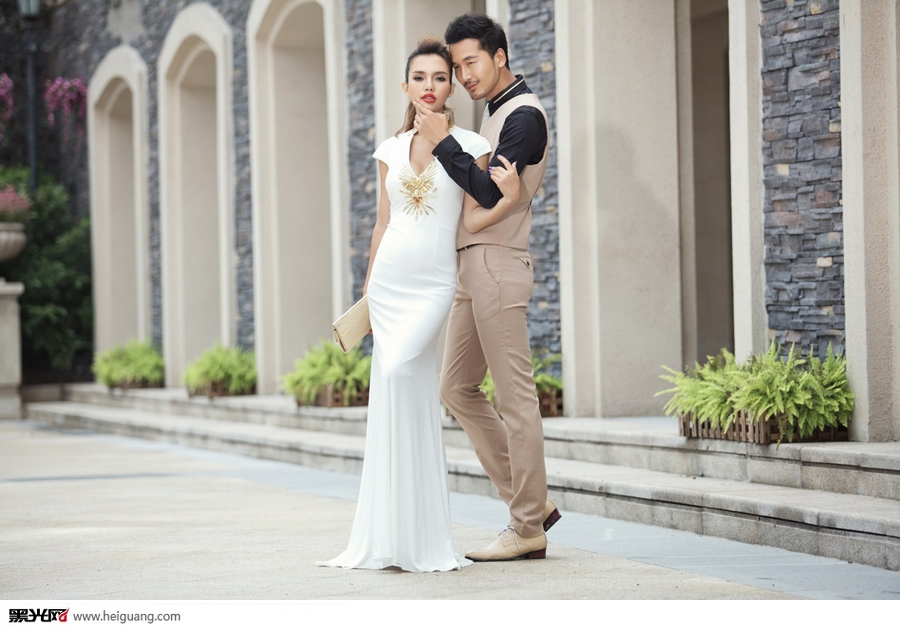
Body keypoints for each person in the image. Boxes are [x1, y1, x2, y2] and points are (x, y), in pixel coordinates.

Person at [317, 37, 521, 573]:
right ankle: (389, 535)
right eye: (420, 77)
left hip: (433, 284)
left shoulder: (471, 144)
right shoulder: (390, 149)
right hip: (388, 285)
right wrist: (368, 291)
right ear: (405, 86)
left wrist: (510, 199)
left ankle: (423, 535)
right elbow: (383, 223)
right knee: (392, 392)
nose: (430, 86)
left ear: (450, 86)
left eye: (439, 77)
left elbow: (473, 217)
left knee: (406, 371)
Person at [413, 13, 559, 562]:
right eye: (457, 66)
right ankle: (532, 501)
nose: (464, 75)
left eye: (470, 62)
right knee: (456, 387)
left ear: (500, 56)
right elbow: (479, 193)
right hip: (472, 269)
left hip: (497, 264)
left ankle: (526, 526)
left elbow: (490, 195)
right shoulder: (495, 113)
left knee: (516, 399)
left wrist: (442, 143)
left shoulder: (524, 118)